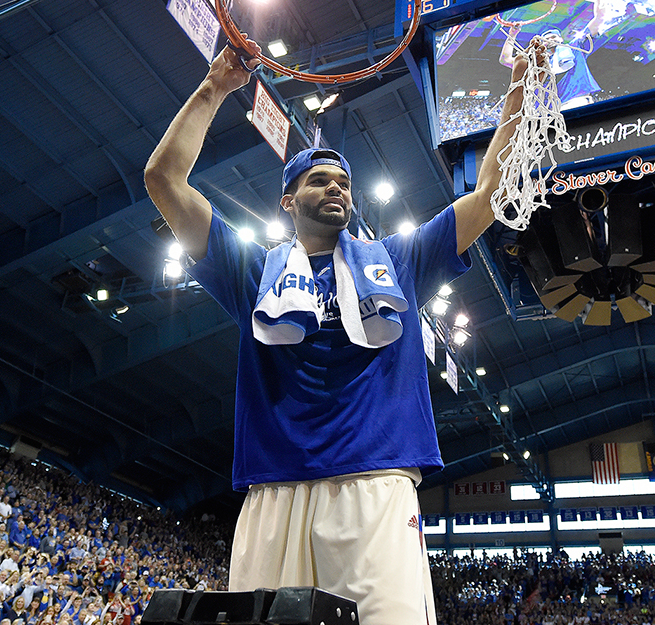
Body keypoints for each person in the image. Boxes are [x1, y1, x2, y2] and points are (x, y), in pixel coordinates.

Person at [144, 36, 528, 625]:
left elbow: (488, 195)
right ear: (288, 200)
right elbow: (163, 180)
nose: (336, 188)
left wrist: (520, 92)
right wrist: (216, 86)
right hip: (275, 491)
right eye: (320, 180)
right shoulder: (251, 271)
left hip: (376, 482)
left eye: (343, 183)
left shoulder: (398, 261)